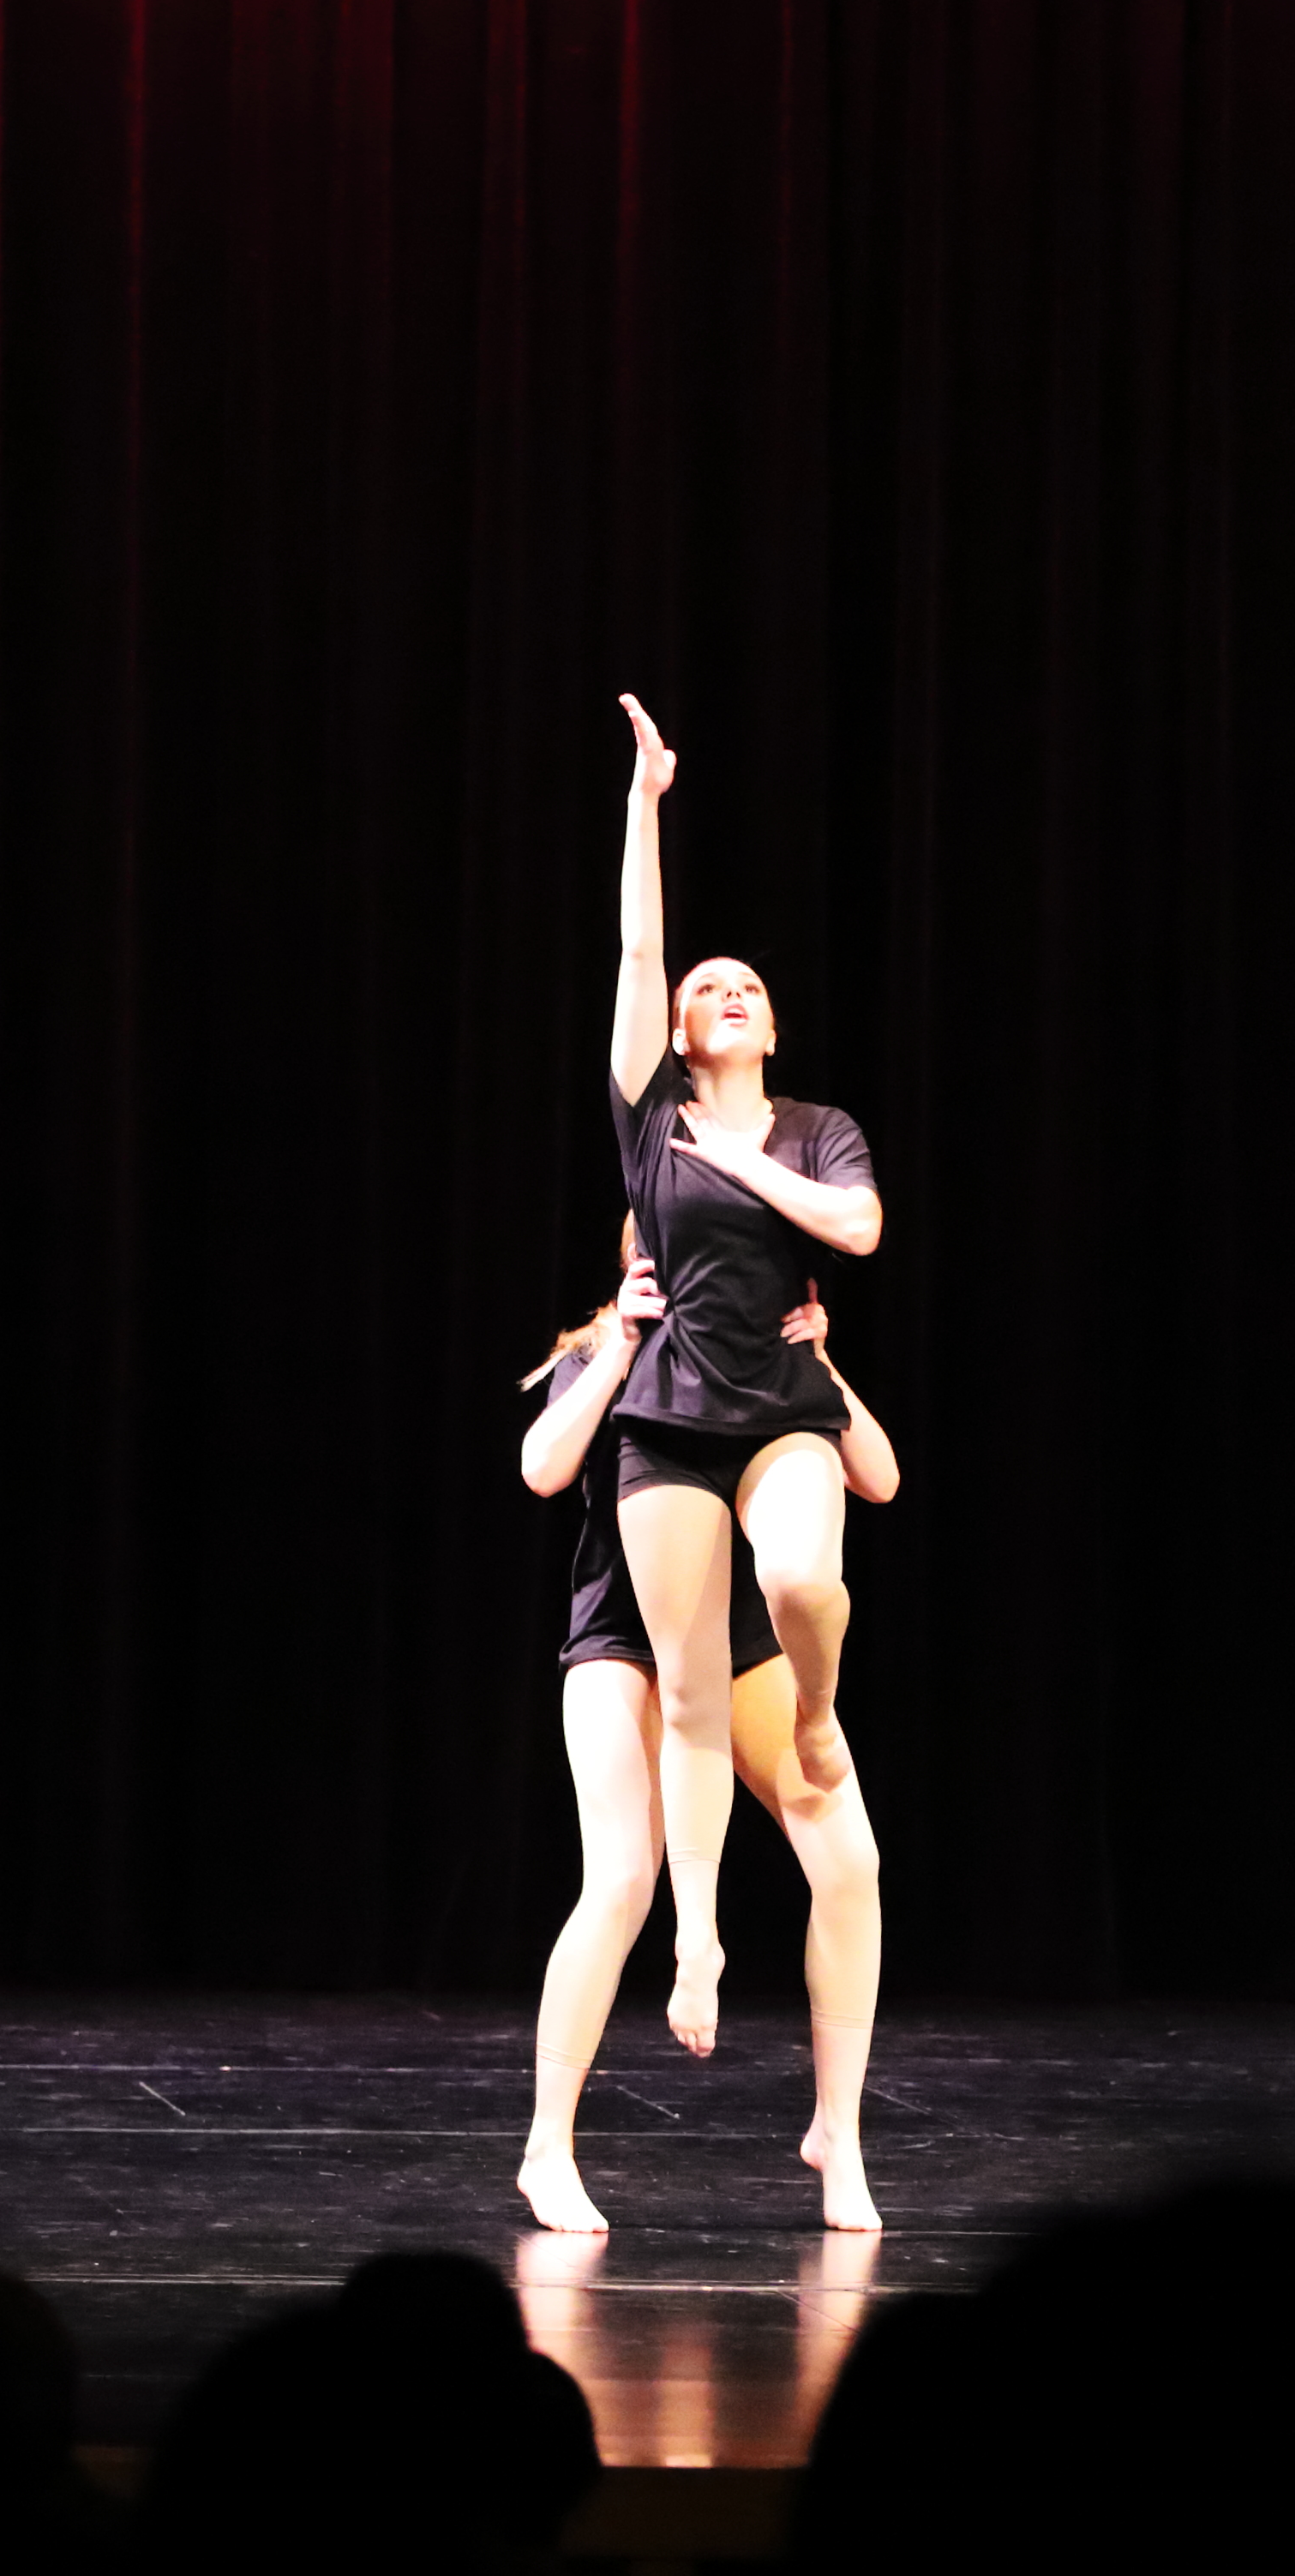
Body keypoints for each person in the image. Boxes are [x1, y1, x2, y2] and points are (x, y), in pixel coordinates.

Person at [511, 1222, 895, 2236]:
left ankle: (838, 2132)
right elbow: (541, 1467)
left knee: (849, 1861)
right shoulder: (606, 1349)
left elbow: (879, 1476)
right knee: (620, 1878)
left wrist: (819, 1361)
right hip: (622, 1647)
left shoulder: (767, 1358)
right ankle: (546, 2146)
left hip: (742, 1651)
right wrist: (621, 1350)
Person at [600, 696, 886, 2054]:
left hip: (783, 1410)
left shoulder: (818, 1129)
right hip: (667, 1418)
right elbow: (639, 946)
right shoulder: (652, 1119)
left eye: (750, 988)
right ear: (676, 1029)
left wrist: (746, 1162)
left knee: (802, 1584)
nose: (730, 992)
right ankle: (700, 1933)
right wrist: (646, 802)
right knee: (694, 1692)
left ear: (770, 1029)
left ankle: (818, 1713)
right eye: (709, 988)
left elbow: (858, 1229)